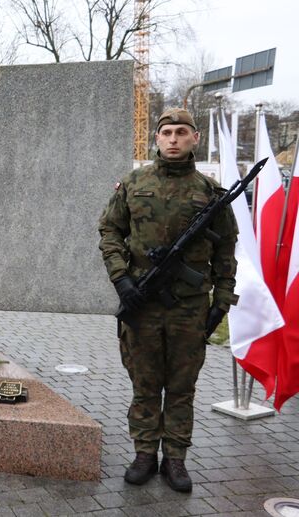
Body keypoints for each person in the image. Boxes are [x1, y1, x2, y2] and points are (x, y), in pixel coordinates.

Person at [98, 107, 239, 492]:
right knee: (144, 384)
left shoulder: (210, 193)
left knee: (181, 387)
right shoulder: (133, 183)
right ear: (156, 139)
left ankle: (175, 458)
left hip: (189, 308)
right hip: (142, 304)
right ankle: (145, 452)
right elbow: (110, 231)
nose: (173, 139)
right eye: (166, 132)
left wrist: (221, 302)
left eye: (181, 132)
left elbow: (226, 250)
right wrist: (122, 279)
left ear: (195, 138)